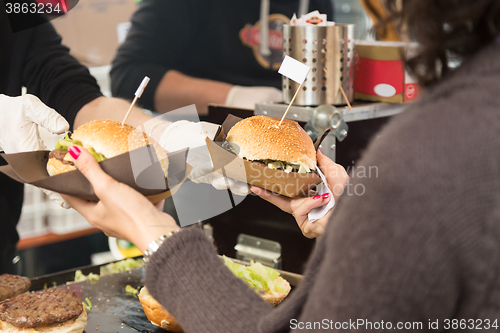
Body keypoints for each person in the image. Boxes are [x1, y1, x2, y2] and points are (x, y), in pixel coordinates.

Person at [63, 0, 500, 331]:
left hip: (254, 185)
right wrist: (351, 224)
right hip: (192, 166)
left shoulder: (430, 150)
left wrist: (157, 239)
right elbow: (130, 73)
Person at [110, 0, 334, 115]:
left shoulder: (314, 4)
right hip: (204, 164)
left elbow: (283, 63)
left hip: (289, 144)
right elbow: (128, 75)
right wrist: (233, 98)